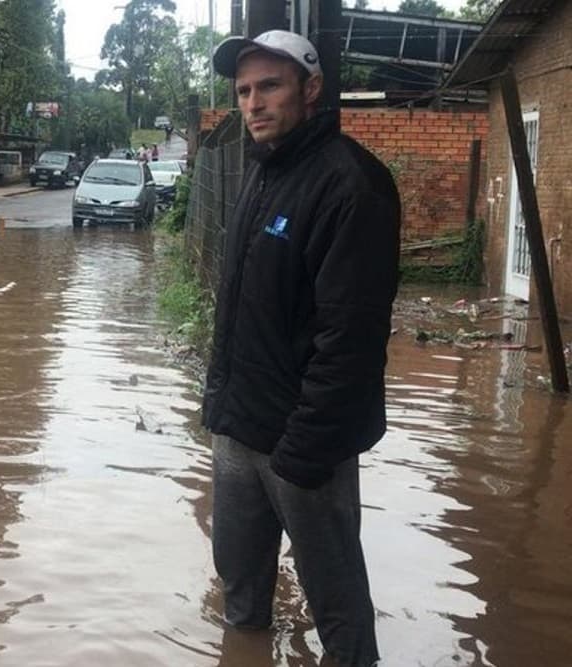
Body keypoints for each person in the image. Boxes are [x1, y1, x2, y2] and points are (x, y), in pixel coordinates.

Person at [203, 30, 400, 667]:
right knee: (239, 591)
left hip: (303, 445)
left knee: (337, 608)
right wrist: (219, 411)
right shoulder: (261, 174)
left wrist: (303, 454)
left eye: (270, 86)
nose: (253, 103)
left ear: (311, 89)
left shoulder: (351, 186)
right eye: (243, 91)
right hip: (239, 431)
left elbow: (352, 341)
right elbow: (237, 307)